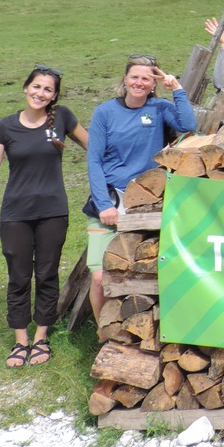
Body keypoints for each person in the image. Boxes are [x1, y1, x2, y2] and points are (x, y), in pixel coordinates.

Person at [0, 66, 88, 368]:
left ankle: (41, 338)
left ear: (55, 95)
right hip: (16, 215)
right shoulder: (5, 127)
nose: (40, 93)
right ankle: (20, 341)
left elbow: (93, 146)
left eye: (47, 89)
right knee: (18, 277)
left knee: (47, 274)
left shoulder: (62, 118)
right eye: (36, 87)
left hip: (53, 212)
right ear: (26, 88)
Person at [86, 55, 195, 322]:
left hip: (146, 201)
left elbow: (188, 125)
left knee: (142, 271)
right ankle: (104, 331)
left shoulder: (158, 107)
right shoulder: (105, 111)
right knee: (101, 276)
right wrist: (103, 205)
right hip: (111, 198)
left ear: (153, 83)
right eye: (134, 77)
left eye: (146, 78)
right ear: (124, 79)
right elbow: (94, 160)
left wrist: (177, 89)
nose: (139, 82)